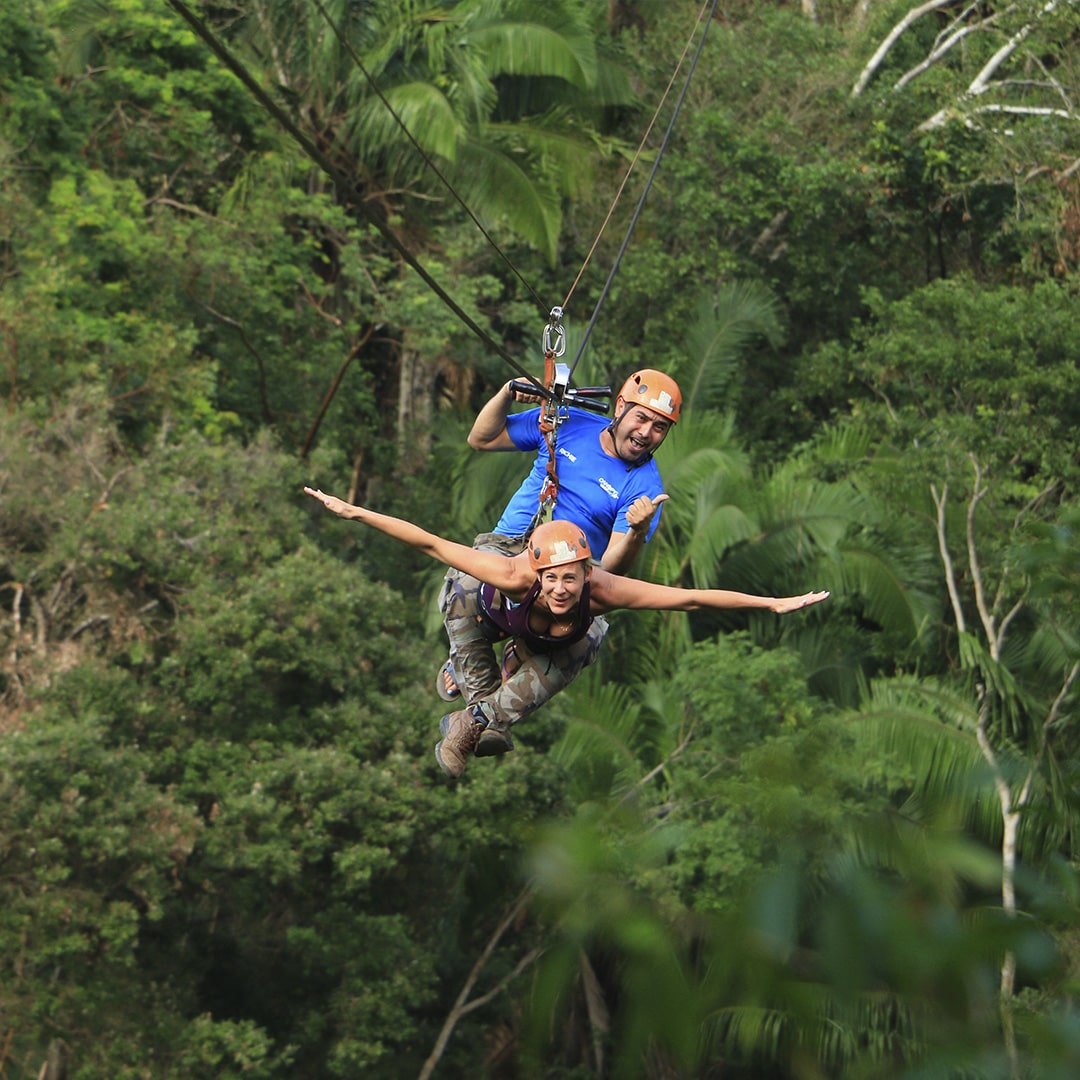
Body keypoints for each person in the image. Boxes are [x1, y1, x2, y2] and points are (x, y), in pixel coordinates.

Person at [304, 486, 829, 779]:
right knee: (463, 592)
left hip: (538, 641)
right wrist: (354, 512)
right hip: (479, 614)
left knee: (586, 640)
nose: (560, 589)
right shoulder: (514, 574)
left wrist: (772, 602)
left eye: (570, 579)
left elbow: (687, 598)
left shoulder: (602, 591)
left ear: (587, 574)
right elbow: (430, 544)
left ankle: (473, 718)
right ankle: (466, 675)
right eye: (552, 579)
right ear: (537, 574)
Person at [436, 368, 682, 707]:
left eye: (659, 427)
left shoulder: (645, 488)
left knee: (583, 636)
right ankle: (469, 656)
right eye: (641, 418)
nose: (646, 433)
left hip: (565, 573)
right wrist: (508, 392)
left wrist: (637, 531)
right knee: (463, 586)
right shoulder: (568, 423)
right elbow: (482, 439)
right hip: (509, 546)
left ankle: (515, 661)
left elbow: (610, 568)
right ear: (620, 406)